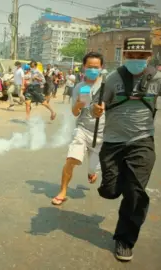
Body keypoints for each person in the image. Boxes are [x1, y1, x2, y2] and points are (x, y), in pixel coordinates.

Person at [92, 36, 161, 262]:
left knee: (135, 193)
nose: (136, 60)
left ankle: (125, 240)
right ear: (124, 56)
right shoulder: (113, 78)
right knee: (110, 191)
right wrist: (97, 109)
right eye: (132, 56)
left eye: (141, 56)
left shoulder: (159, 80)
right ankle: (117, 184)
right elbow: (96, 104)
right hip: (112, 143)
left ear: (149, 56)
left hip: (142, 142)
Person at [51, 52, 105, 206]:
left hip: (101, 133)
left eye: (96, 67)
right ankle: (62, 191)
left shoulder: (107, 86)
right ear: (84, 67)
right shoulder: (79, 87)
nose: (93, 70)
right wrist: (80, 104)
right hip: (82, 128)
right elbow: (75, 113)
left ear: (101, 68)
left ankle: (91, 172)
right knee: (71, 159)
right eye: (90, 67)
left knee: (93, 169)